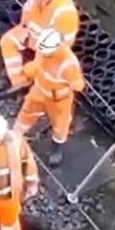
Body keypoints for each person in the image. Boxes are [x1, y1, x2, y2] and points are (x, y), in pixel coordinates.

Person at [11, 29, 84, 165]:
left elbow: (78, 86)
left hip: (58, 101)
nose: (43, 54)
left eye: (46, 52)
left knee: (60, 125)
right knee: (26, 113)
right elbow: (39, 66)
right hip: (39, 91)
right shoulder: (42, 49)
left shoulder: (68, 64)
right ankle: (14, 138)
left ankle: (57, 149)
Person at [0, 0, 79, 91]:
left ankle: (33, 82)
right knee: (7, 42)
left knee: (34, 69)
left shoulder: (65, 11)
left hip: (49, 48)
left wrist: (43, 55)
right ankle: (18, 81)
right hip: (32, 35)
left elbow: (65, 43)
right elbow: (27, 12)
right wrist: (24, 29)